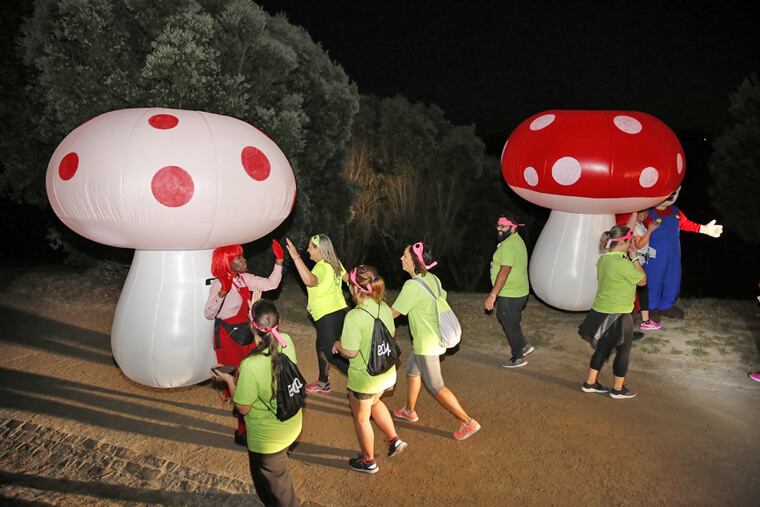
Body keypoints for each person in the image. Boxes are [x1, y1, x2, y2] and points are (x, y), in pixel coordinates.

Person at [211, 299, 301, 507]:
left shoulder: (251, 364)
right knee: (263, 478)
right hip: (291, 420)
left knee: (281, 495)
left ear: (251, 325)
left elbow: (242, 407)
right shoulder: (286, 341)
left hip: (269, 439)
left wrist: (229, 381)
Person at [391, 242, 480, 440]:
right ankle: (409, 410)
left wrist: (372, 315)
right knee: (413, 371)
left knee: (435, 385)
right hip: (430, 338)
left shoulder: (412, 285)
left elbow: (394, 313)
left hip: (427, 343)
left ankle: (467, 422)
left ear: (414, 261)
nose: (401, 258)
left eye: (405, 255)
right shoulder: (433, 278)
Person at [204, 241, 283, 445]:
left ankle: (242, 407)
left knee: (246, 377)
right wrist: (222, 292)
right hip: (229, 337)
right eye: (238, 257)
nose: (244, 260)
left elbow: (271, 284)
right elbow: (209, 313)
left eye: (242, 256)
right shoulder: (219, 283)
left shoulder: (242, 279)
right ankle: (243, 432)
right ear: (226, 262)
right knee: (239, 377)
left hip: (246, 333)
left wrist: (279, 262)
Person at [333, 265, 407, 474]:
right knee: (375, 402)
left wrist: (337, 345)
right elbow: (391, 336)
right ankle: (394, 440)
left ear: (355, 290)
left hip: (365, 379)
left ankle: (368, 461)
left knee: (362, 418)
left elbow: (351, 352)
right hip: (386, 373)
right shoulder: (383, 306)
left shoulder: (354, 317)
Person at [578, 225, 646, 399]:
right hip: (619, 313)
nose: (632, 243)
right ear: (623, 243)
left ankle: (590, 383)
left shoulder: (604, 259)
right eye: (630, 240)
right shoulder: (622, 263)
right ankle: (618, 389)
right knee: (623, 351)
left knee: (603, 348)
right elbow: (642, 281)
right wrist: (634, 258)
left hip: (601, 310)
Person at [642, 187, 723, 322]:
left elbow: (685, 224)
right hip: (655, 256)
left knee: (673, 279)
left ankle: (666, 305)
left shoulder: (675, 210)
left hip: (674, 254)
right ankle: (650, 307)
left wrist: (703, 229)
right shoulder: (648, 213)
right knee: (653, 280)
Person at [285, 234, 349, 394]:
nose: (307, 250)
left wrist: (295, 257)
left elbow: (310, 280)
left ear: (319, 249)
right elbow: (348, 279)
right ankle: (323, 382)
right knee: (321, 345)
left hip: (327, 315)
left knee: (329, 351)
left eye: (310, 247)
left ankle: (361, 379)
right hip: (339, 311)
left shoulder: (321, 267)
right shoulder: (334, 263)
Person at [484, 214, 533, 368]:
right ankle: (524, 345)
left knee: (507, 320)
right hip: (518, 291)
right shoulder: (514, 241)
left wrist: (493, 295)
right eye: (498, 225)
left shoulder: (510, 245)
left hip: (510, 293)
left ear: (513, 228)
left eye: (503, 226)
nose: (499, 229)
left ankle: (518, 356)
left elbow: (504, 271)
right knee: (511, 320)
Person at [633, 209, 661, 330]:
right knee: (642, 289)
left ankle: (644, 320)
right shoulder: (636, 226)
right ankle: (645, 321)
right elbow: (639, 245)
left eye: (646, 212)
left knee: (641, 290)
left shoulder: (639, 225)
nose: (644, 215)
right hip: (635, 262)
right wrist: (649, 231)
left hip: (640, 261)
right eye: (642, 212)